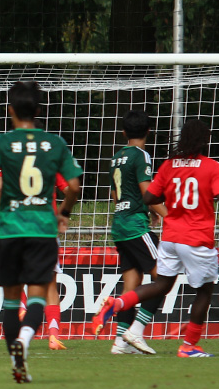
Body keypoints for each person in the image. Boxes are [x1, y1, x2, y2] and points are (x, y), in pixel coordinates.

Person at [0, 81, 82, 383]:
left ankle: (15, 362)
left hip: (9, 230)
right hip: (42, 231)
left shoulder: (0, 142)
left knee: (10, 301)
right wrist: (64, 213)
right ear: (38, 110)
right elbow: (73, 186)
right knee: (38, 296)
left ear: (10, 110)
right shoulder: (55, 143)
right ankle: (26, 340)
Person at [93, 118, 219, 358]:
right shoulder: (211, 166)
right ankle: (188, 345)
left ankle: (120, 311)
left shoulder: (169, 165)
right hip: (195, 236)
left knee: (160, 284)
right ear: (205, 140)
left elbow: (150, 197)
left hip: (169, 237)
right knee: (205, 290)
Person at [106, 110, 168, 355]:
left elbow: (115, 194)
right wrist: (168, 215)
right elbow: (147, 192)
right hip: (134, 226)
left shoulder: (117, 156)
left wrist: (148, 210)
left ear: (124, 132)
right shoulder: (142, 155)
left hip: (119, 224)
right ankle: (136, 331)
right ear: (148, 132)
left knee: (131, 285)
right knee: (163, 278)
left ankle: (120, 342)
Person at [0, 169, 70, 351]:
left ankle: (21, 311)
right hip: (45, 228)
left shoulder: (10, 157)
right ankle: (53, 336)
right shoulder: (50, 159)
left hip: (15, 227)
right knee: (50, 285)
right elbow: (70, 189)